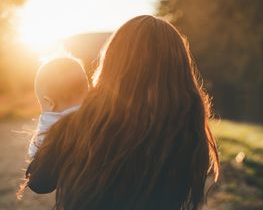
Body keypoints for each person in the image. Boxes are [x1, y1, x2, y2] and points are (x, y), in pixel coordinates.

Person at [24, 15, 220, 210]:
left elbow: (40, 182)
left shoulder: (84, 123)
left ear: (113, 63)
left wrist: (50, 125)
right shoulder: (188, 128)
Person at [28, 57, 89, 158]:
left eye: (41, 103)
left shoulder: (49, 124)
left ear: (50, 103)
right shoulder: (96, 118)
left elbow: (34, 152)